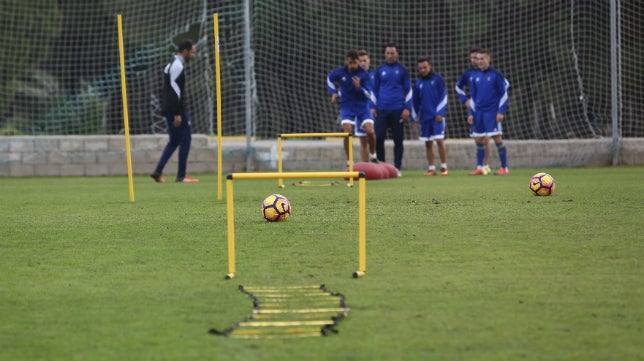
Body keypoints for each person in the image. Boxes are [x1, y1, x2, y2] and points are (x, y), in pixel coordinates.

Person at [150, 40, 199, 183]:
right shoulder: (177, 66)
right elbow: (175, 91)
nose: (193, 54)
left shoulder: (171, 64)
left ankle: (158, 171)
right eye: (192, 51)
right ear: (185, 51)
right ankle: (181, 175)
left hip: (170, 109)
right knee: (186, 139)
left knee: (174, 141)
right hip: (176, 110)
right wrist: (178, 113)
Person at [327, 50, 378, 164]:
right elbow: (329, 78)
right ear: (347, 61)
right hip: (347, 106)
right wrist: (333, 92)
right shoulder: (340, 72)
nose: (352, 66)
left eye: (355, 63)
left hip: (362, 106)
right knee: (347, 131)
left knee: (370, 131)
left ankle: (373, 155)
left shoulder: (364, 75)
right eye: (350, 63)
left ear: (358, 62)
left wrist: (359, 87)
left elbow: (369, 94)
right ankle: (349, 161)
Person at [371, 43, 412, 176]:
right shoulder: (380, 70)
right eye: (387, 53)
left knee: (398, 139)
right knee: (379, 137)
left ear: (397, 54)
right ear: (385, 54)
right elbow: (374, 90)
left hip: (398, 109)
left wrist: (407, 108)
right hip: (382, 109)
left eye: (392, 53)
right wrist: (372, 106)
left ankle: (397, 168)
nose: (389, 55)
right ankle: (382, 166)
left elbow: (409, 91)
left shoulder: (402, 70)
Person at [468, 48, 510, 175]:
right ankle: (480, 167)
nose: (480, 61)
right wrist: (471, 113)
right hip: (479, 113)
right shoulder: (475, 76)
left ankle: (504, 168)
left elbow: (504, 94)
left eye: (483, 59)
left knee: (497, 138)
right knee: (479, 139)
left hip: (492, 113)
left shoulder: (496, 75)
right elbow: (473, 98)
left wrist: (501, 111)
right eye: (478, 59)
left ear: (488, 59)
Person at [455, 46, 491, 175]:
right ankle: (480, 165)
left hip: (487, 109)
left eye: (477, 58)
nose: (475, 61)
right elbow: (458, 87)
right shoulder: (468, 74)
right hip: (474, 110)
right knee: (478, 138)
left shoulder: (488, 73)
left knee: (485, 137)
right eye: (473, 58)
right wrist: (465, 100)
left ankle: (485, 165)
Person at [412, 58, 448, 176]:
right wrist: (414, 118)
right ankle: (431, 168)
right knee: (428, 142)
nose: (423, 70)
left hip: (436, 117)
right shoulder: (418, 83)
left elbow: (444, 96)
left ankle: (444, 166)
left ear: (430, 66)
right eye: (420, 68)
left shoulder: (438, 80)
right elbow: (415, 102)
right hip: (424, 117)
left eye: (425, 67)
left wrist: (440, 113)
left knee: (439, 140)